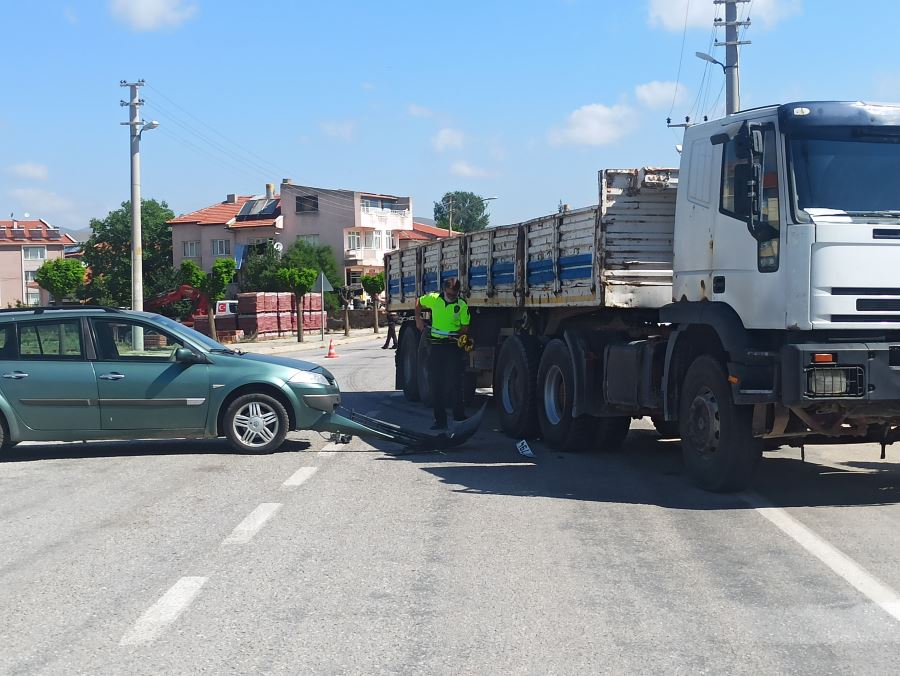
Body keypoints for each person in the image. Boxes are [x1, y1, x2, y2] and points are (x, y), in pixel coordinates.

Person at [415, 277, 470, 430]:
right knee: (436, 383)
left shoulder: (461, 305)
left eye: (455, 294)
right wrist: (418, 319)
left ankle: (459, 416)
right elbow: (418, 301)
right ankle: (440, 421)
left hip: (453, 346)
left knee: (455, 382)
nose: (453, 297)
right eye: (450, 294)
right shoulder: (434, 299)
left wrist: (457, 334)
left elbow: (465, 327)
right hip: (437, 346)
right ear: (445, 290)